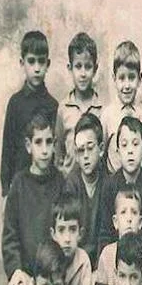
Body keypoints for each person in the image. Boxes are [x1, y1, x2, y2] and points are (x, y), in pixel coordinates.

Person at [95, 116, 142, 285]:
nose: (130, 151)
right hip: (115, 265)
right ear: (118, 151)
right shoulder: (109, 186)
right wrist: (104, 270)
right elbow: (105, 233)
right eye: (124, 145)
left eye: (135, 144)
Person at [3, 112, 63, 285]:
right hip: (27, 273)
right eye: (38, 142)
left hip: (54, 272)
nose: (44, 150)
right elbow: (10, 236)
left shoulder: (61, 183)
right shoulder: (19, 185)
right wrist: (16, 270)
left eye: (48, 142)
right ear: (29, 146)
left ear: (54, 144)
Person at [0, 30, 58, 197]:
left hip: (46, 185)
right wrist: (6, 190)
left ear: (48, 64)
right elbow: (8, 148)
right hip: (20, 186)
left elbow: (55, 151)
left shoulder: (53, 105)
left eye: (41, 62)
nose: (37, 68)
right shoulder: (15, 103)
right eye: (31, 61)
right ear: (22, 62)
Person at [94, 187, 142, 285]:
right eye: (123, 212)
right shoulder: (106, 255)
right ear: (115, 222)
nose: (129, 219)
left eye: (134, 212)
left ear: (140, 222)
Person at [54, 32, 102, 177]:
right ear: (70, 68)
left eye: (88, 67)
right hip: (69, 184)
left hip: (95, 182)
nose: (83, 74)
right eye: (78, 66)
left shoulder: (102, 109)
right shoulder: (63, 109)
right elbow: (58, 152)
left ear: (95, 69)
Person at [63, 112, 106, 268]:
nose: (86, 156)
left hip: (102, 262)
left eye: (90, 148)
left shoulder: (108, 183)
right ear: (76, 154)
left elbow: (106, 234)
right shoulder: (71, 185)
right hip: (76, 262)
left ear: (101, 149)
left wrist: (99, 269)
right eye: (81, 151)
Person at [102, 40, 142, 175]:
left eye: (131, 78)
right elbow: (101, 154)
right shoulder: (107, 115)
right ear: (114, 78)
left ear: (139, 79)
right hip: (112, 180)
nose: (127, 85)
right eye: (122, 78)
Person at [50, 192, 92, 285]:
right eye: (61, 230)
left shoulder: (83, 261)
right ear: (53, 234)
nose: (67, 238)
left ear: (80, 233)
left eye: (72, 230)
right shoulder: (48, 258)